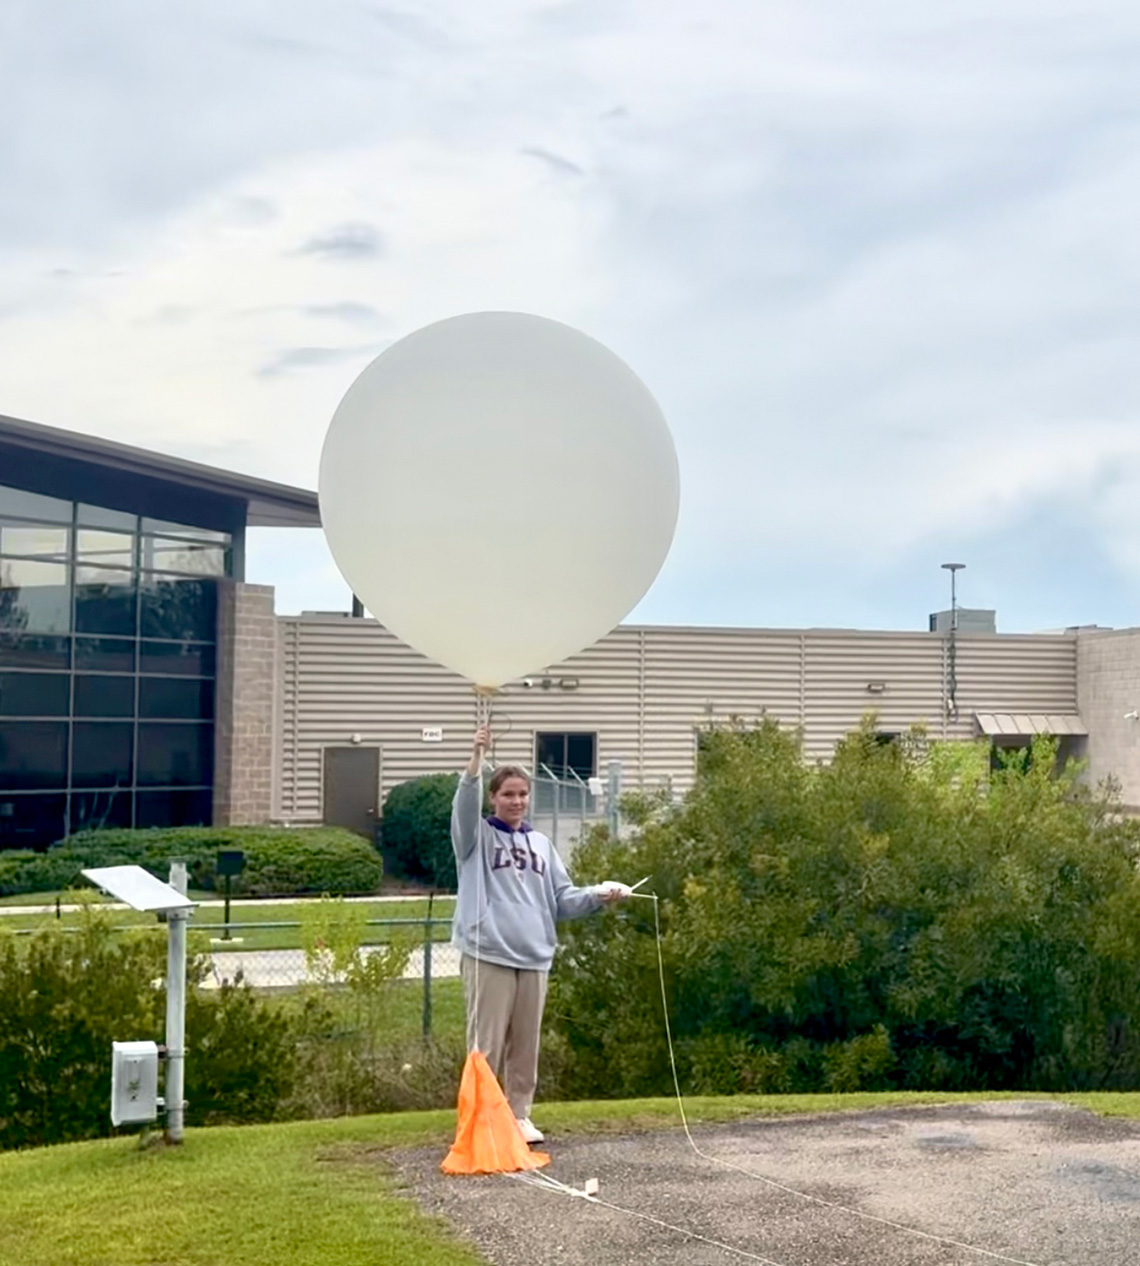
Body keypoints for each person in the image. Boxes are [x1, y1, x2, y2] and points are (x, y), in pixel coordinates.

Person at [451, 724, 628, 1143]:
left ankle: (518, 1115)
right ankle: (479, 1119)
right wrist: (476, 758)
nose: (516, 801)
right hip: (488, 951)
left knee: (525, 1045)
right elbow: (464, 804)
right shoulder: (475, 837)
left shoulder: (543, 845)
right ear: (493, 798)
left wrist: (599, 895)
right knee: (486, 1043)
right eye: (508, 794)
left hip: (534, 956)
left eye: (522, 794)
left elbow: (562, 898)